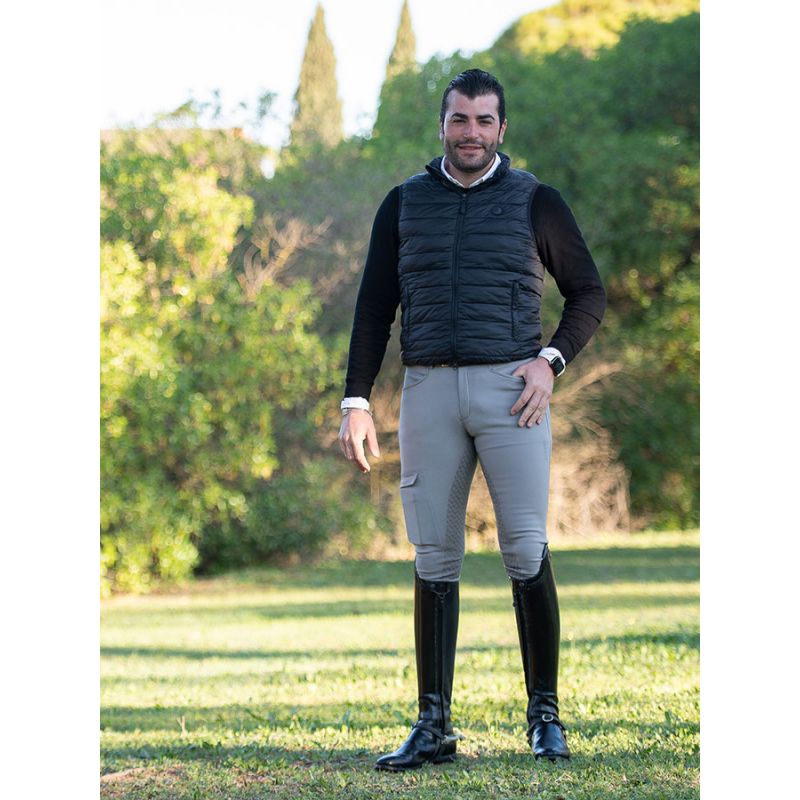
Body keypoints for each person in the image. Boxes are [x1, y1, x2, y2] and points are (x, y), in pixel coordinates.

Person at [338, 68, 606, 771]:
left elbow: (588, 293)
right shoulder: (403, 204)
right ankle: (433, 726)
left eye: (484, 120)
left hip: (512, 392)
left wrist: (549, 361)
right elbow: (373, 309)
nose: (471, 133)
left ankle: (544, 717)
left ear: (501, 128)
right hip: (428, 390)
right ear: (442, 124)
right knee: (433, 554)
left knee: (524, 548)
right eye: (460, 119)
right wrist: (356, 400)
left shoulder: (536, 201)